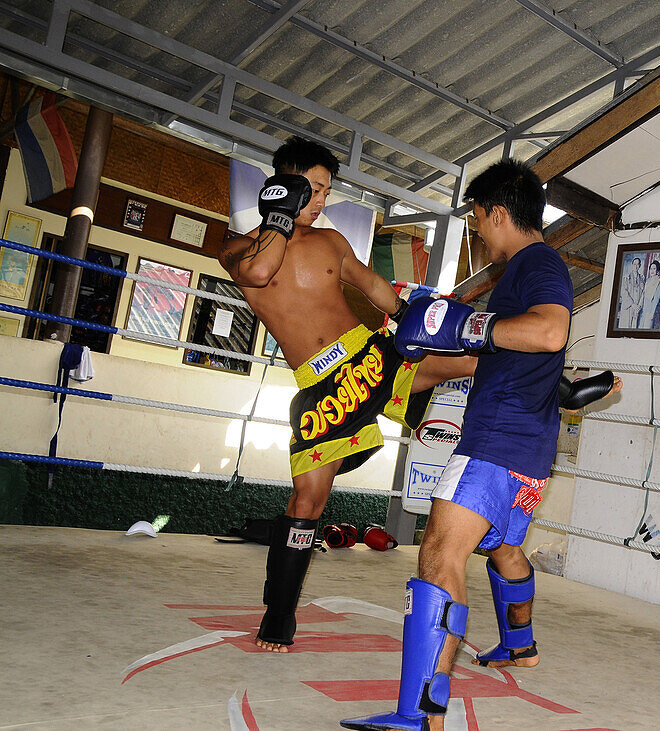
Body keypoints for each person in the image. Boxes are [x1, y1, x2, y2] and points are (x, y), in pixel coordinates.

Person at [220, 138, 618, 655]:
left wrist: (427, 313)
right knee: (307, 501)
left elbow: (380, 294)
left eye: (325, 191)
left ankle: (561, 389)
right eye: (311, 189)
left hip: (367, 355)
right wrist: (278, 215)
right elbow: (256, 273)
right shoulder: (236, 246)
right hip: (322, 387)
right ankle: (279, 614)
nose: (319, 201)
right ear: (283, 185)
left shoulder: (333, 242)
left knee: (477, 352)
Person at [340, 159, 573, 731]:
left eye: (477, 223)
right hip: (523, 449)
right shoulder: (521, 274)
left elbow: (549, 332)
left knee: (439, 556)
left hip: (497, 443)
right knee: (498, 551)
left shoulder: (535, 263)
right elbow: (488, 354)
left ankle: (421, 715)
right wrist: (421, 350)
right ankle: (518, 648)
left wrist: (468, 324)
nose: (478, 235)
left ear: (497, 213)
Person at [617, 255, 644, 329]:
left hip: (636, 308)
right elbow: (623, 291)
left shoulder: (641, 279)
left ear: (640, 266)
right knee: (625, 326)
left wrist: (639, 306)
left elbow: (643, 294)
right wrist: (632, 304)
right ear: (632, 265)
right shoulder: (626, 277)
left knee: (633, 327)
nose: (636, 266)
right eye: (634, 264)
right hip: (628, 306)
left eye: (637, 264)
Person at [638, 258, 660, 330]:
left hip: (650, 310)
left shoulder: (659, 282)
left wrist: (652, 313)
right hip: (644, 309)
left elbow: (656, 299)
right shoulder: (648, 281)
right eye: (651, 269)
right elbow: (643, 294)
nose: (652, 271)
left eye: (654, 269)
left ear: (657, 270)